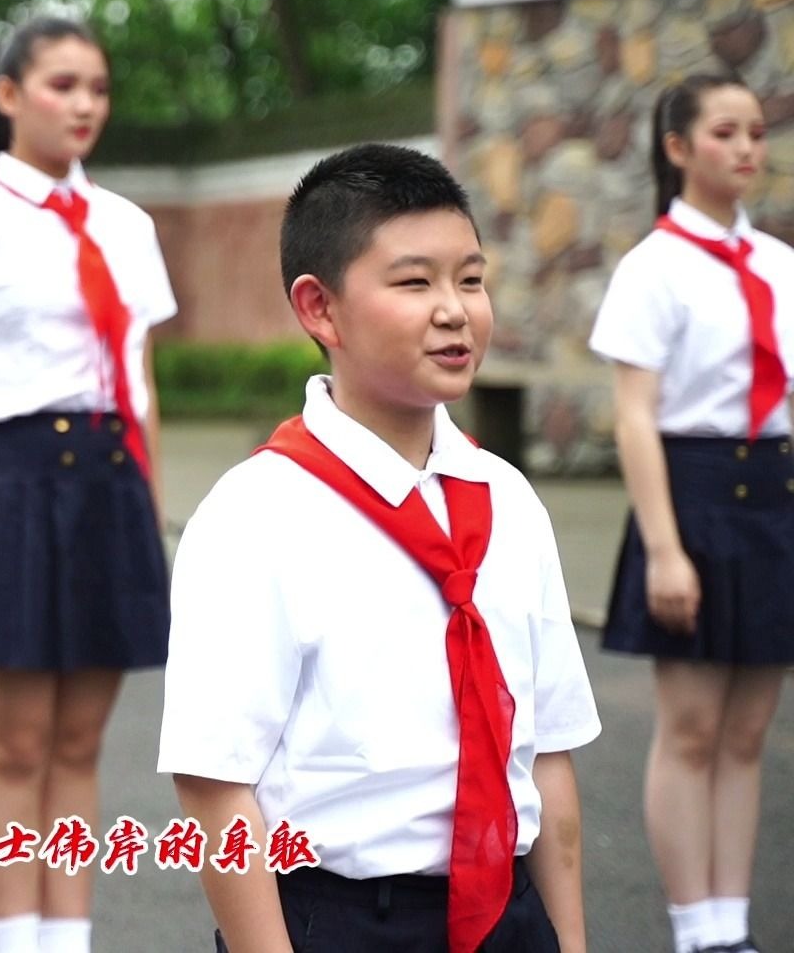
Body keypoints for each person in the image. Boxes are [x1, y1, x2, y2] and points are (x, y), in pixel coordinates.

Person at [159, 143, 601, 953]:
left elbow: (550, 759)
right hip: (339, 922)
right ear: (320, 308)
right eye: (414, 282)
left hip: (508, 909)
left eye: (470, 279)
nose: (455, 309)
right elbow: (216, 787)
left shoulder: (507, 500)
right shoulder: (257, 515)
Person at [0, 17, 176, 953]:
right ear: (8, 95)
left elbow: (140, 385)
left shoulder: (129, 227)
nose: (85, 104)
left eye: (97, 86)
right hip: (8, 484)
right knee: (15, 744)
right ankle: (18, 942)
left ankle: (70, 940)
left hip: (107, 484)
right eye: (62, 85)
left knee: (81, 745)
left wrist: (152, 514)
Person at [588, 72, 793, 953]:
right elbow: (635, 415)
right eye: (724, 132)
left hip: (776, 499)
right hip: (694, 495)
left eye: (755, 130)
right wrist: (665, 551)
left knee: (748, 730)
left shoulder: (784, 267)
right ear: (677, 150)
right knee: (695, 727)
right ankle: (691, 931)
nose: (747, 147)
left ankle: (730, 927)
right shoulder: (653, 268)